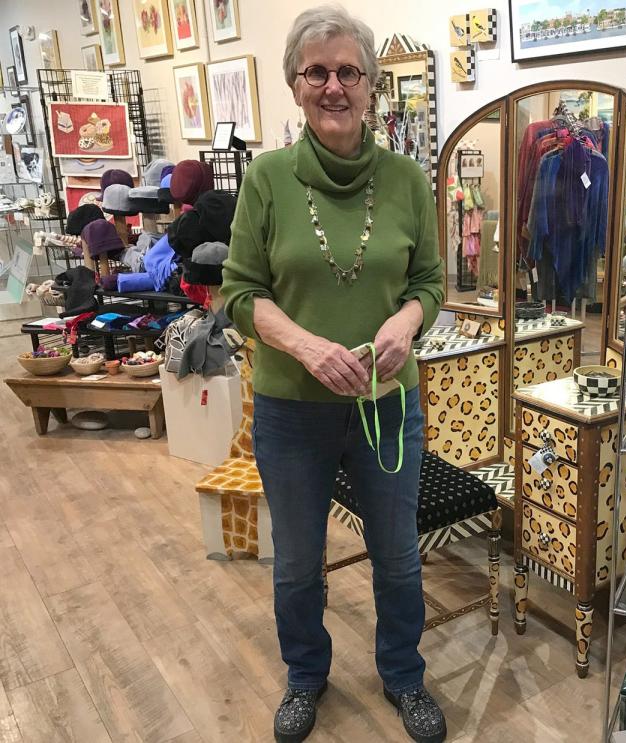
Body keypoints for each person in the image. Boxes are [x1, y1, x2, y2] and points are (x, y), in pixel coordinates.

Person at [220, 5, 445, 743]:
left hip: (387, 406)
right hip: (293, 409)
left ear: (372, 85)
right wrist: (308, 346)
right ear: (295, 85)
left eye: (349, 70)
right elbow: (240, 292)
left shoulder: (408, 179)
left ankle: (404, 675)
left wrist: (404, 323)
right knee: (295, 563)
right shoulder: (267, 179)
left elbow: (431, 284)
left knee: (398, 555)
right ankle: (305, 674)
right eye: (317, 71)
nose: (334, 85)